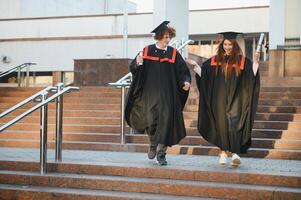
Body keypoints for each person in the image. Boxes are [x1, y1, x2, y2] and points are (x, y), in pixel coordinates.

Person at [187, 32, 260, 167]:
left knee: (236, 124)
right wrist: (195, 66)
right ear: (222, 45)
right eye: (225, 44)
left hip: (237, 98)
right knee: (221, 125)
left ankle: (236, 153)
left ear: (235, 45)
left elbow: (252, 76)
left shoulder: (242, 61)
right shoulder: (214, 61)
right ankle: (223, 153)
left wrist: (255, 62)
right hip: (219, 99)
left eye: (230, 44)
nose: (227, 47)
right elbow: (205, 76)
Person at [125, 21, 191, 166]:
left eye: (169, 37)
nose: (168, 40)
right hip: (150, 94)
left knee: (166, 123)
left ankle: (161, 154)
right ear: (159, 37)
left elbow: (183, 71)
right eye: (166, 37)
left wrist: (186, 81)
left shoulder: (173, 53)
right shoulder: (147, 51)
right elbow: (134, 68)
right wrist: (138, 62)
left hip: (168, 95)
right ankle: (153, 145)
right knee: (152, 122)